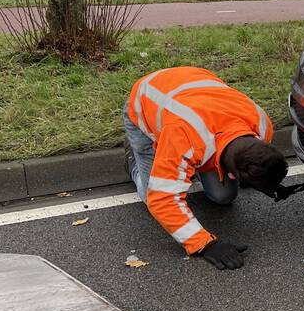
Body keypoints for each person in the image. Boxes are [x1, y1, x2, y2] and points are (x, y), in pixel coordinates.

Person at [123, 66, 288, 270]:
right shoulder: (184, 137)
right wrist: (205, 244)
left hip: (191, 92)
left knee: (223, 196)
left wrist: (267, 182)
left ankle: (183, 167)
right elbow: (163, 200)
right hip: (145, 102)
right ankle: (132, 161)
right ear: (231, 172)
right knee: (151, 196)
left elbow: (260, 161)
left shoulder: (262, 125)